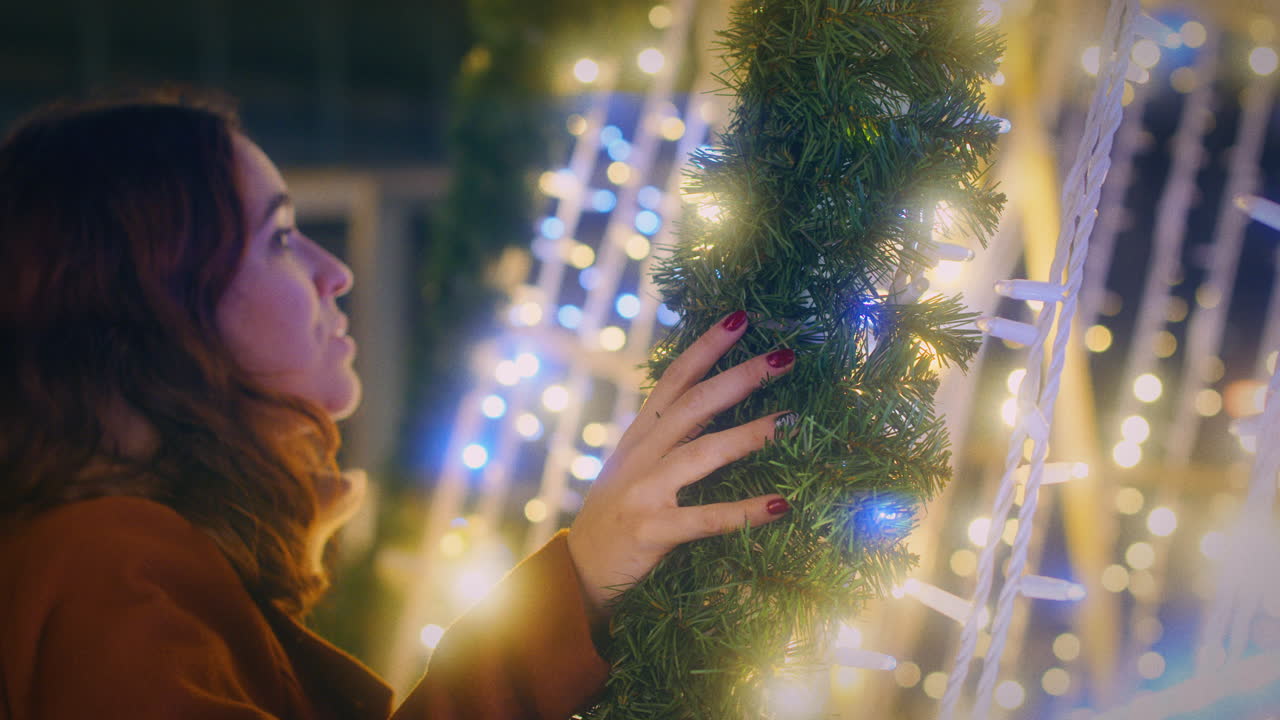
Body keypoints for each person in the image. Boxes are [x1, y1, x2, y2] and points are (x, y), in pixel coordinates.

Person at [0, 91, 798, 719]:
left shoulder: (134, 557)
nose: (333, 272)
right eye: (280, 238)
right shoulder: (103, 566)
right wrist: (580, 577)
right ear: (157, 306)